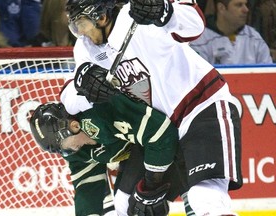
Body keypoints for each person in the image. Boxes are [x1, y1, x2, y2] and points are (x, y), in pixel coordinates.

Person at [61, 0, 243, 215]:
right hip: (161, 129)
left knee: (205, 198)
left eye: (82, 24)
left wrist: (166, 11)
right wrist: (84, 85)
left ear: (101, 17)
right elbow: (69, 96)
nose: (81, 33)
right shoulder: (86, 47)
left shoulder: (137, 14)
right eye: (76, 27)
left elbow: (195, 26)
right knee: (125, 204)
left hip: (202, 109)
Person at [29, 65, 180, 216]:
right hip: (153, 147)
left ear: (74, 126)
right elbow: (87, 186)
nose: (76, 149)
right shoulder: (76, 150)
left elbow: (157, 132)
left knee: (129, 202)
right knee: (128, 205)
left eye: (74, 145)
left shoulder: (99, 113)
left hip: (170, 133)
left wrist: (151, 182)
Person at [190, 0, 273, 65]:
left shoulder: (254, 37)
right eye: (239, 5)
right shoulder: (200, 40)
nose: (246, 10)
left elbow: (268, 73)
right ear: (221, 8)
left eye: (246, 4)